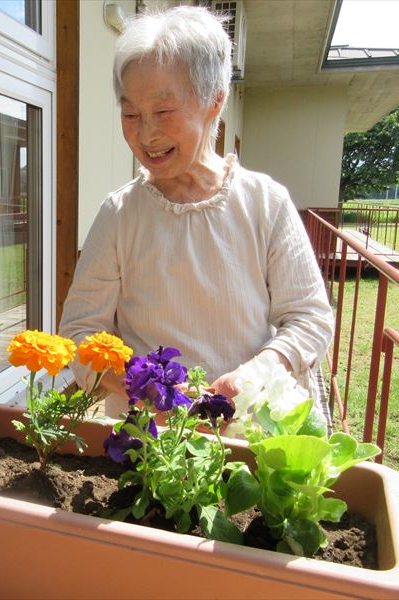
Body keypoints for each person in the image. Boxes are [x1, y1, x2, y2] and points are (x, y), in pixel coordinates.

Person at [59, 6, 334, 418]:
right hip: (147, 443)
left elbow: (309, 318)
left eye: (163, 112)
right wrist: (140, 385)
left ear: (214, 100)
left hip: (247, 429)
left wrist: (252, 376)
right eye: (130, 113)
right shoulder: (120, 214)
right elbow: (80, 331)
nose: (145, 133)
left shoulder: (264, 203)